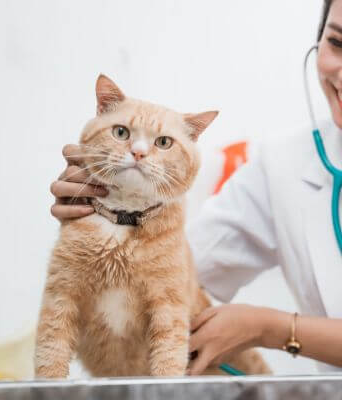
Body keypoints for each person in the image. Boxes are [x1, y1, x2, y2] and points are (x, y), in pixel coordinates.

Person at [49, 0, 342, 374]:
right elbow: (178, 272)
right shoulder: (284, 163)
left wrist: (273, 328)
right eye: (337, 43)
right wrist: (105, 216)